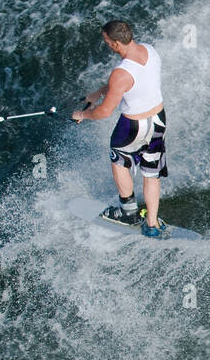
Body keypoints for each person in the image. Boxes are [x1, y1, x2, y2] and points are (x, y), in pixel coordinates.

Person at [72, 20, 169, 237]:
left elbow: (104, 112)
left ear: (116, 43)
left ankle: (129, 213)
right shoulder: (150, 51)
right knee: (151, 173)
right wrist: (99, 91)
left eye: (107, 41)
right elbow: (134, 81)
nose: (106, 45)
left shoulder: (120, 73)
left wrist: (84, 114)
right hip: (158, 120)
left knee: (119, 160)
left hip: (132, 126)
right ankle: (152, 224)